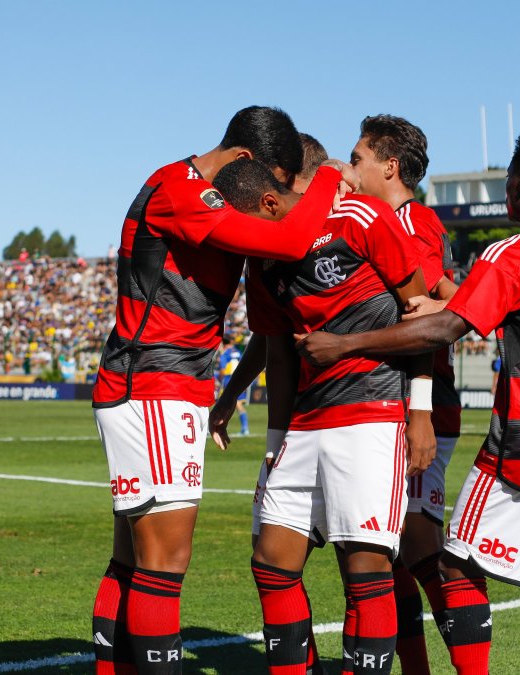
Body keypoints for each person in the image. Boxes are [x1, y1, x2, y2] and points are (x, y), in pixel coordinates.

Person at [296, 127, 520, 674]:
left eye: (508, 176)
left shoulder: (514, 253)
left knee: (453, 568)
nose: (506, 186)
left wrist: (345, 342)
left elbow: (444, 331)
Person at [88, 106, 359, 675]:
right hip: (156, 384)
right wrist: (334, 175)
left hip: (159, 383)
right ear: (243, 160)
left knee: (132, 557)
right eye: (270, 186)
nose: (268, 200)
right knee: (166, 559)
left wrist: (230, 392)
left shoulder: (195, 190)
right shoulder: (181, 189)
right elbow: (289, 241)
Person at [213, 157, 436, 675]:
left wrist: (419, 411)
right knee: (270, 562)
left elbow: (419, 311)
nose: (243, 236)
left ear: (270, 203)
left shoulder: (359, 218)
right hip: (305, 424)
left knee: (365, 569)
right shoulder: (260, 261)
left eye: (247, 222)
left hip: (371, 414)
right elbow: (278, 353)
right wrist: (275, 440)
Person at [348, 114, 460, 674]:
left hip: (423, 407)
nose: (351, 170)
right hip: (384, 405)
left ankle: (472, 662)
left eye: (359, 158)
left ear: (389, 167)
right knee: (390, 558)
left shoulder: (414, 222)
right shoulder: (371, 220)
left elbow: (428, 307)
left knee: (419, 550)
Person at [216, 336, 249, 437]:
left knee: (224, 403)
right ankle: (244, 428)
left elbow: (222, 369)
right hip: (239, 378)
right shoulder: (237, 351)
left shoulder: (225, 353)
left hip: (229, 379)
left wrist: (219, 379)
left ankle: (218, 426)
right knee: (236, 403)